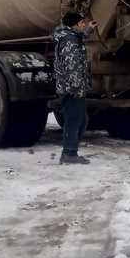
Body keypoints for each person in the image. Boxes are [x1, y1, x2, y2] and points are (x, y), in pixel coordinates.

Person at [53, 10, 92, 165]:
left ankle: (70, 151)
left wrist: (88, 30)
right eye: (82, 23)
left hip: (72, 87)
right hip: (72, 89)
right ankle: (69, 153)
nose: (84, 25)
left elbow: (79, 37)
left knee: (80, 120)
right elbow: (72, 66)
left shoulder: (71, 37)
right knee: (74, 120)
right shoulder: (70, 42)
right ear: (75, 25)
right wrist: (76, 88)